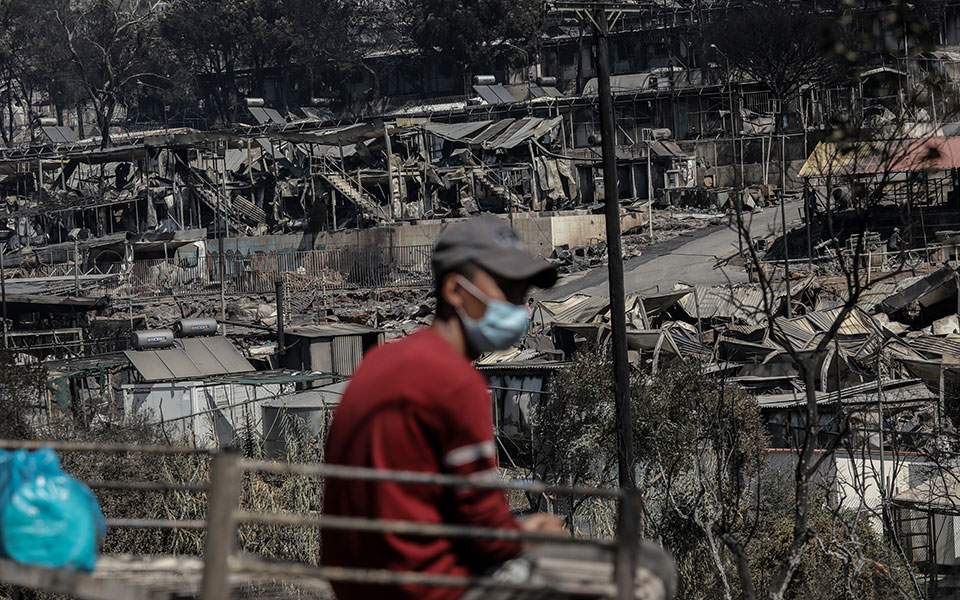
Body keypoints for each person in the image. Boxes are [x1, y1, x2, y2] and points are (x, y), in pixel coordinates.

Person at [322, 217, 566, 599]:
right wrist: (533, 535)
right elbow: (487, 536)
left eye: (523, 295)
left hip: (357, 588)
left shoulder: (382, 360)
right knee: (641, 571)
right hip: (428, 591)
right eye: (506, 291)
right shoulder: (455, 381)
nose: (519, 308)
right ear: (455, 289)